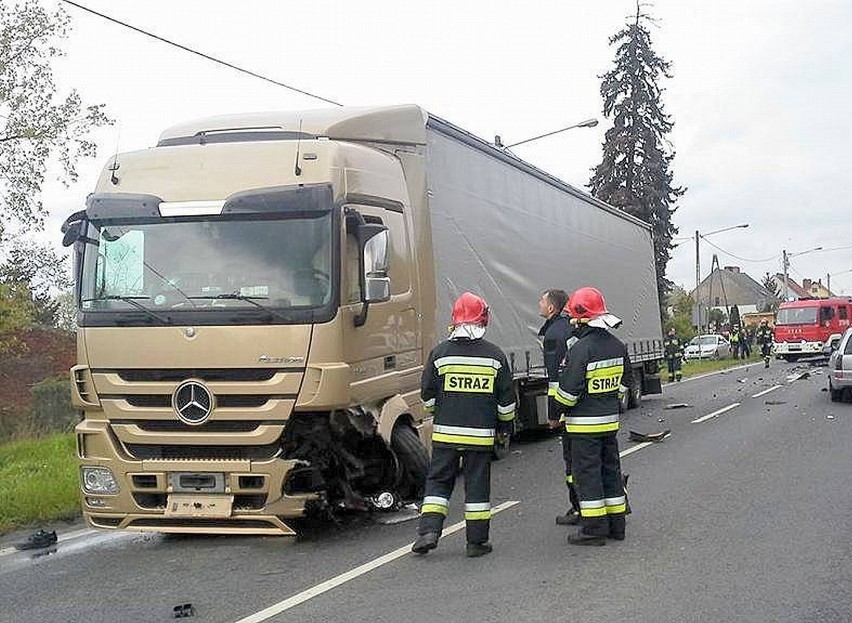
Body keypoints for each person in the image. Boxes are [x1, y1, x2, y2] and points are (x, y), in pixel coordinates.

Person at [412, 292, 516, 558]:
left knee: (437, 484)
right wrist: (505, 427)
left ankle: (428, 532)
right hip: (480, 437)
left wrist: (440, 413)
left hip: (446, 434)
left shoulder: (440, 354)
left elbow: (428, 395)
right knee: (477, 488)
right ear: (483, 319)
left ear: (454, 320)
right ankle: (476, 543)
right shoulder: (495, 356)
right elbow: (506, 402)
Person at [555, 286, 632, 546]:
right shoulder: (617, 345)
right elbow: (624, 384)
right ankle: (616, 525)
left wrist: (559, 408)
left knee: (587, 476)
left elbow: (568, 394)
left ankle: (594, 529)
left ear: (581, 317)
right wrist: (607, 401)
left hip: (583, 428)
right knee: (611, 472)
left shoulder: (581, 349)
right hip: (609, 423)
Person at [537, 289, 580, 526]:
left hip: (567, 407)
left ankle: (578, 506)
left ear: (552, 308)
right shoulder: (571, 327)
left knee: (572, 462)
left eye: (542, 300)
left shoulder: (553, 335)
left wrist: (554, 414)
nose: (539, 304)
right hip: (583, 404)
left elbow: (555, 381)